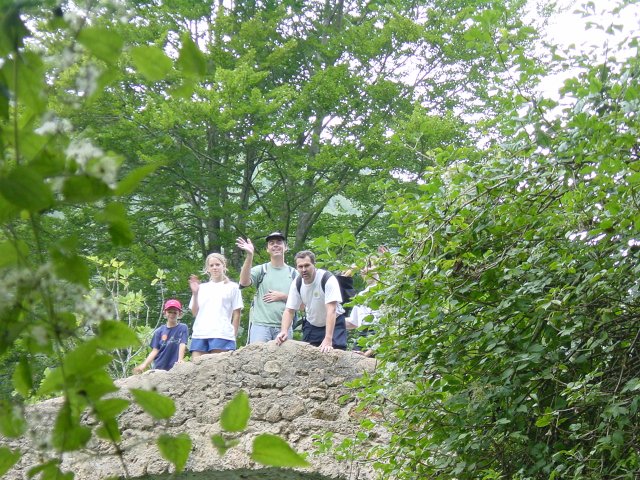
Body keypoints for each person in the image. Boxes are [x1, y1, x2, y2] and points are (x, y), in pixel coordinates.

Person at [276, 250, 346, 353]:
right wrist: (284, 331)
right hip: (312, 324)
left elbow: (331, 310)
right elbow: (289, 310)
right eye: (300, 267)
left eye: (307, 265)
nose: (304, 269)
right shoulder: (297, 283)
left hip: (334, 323)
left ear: (314, 264)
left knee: (334, 354)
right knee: (307, 357)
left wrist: (328, 339)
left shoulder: (327, 279)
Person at [236, 232, 298, 343]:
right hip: (260, 326)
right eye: (271, 243)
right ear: (267, 249)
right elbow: (244, 282)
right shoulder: (261, 270)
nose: (275, 245)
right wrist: (249, 256)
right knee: (257, 359)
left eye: (279, 242)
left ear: (286, 247)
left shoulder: (294, 274)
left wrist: (284, 296)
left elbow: (302, 304)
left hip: (285, 327)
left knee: (283, 360)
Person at [188, 252, 243, 358]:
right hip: (200, 334)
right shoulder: (202, 288)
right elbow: (195, 313)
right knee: (197, 369)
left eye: (217, 264)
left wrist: (233, 335)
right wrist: (195, 294)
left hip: (222, 334)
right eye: (211, 265)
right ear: (207, 269)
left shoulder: (233, 287)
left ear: (224, 266)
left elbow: (237, 314)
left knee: (219, 370)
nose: (214, 268)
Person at [133, 299, 189, 373]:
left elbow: (182, 344)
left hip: (175, 366)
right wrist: (144, 365)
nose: (172, 314)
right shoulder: (159, 331)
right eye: (169, 312)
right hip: (160, 366)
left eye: (175, 312)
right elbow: (155, 350)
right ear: (164, 313)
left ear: (180, 314)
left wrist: (180, 359)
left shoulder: (183, 327)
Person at [347, 256, 382, 357]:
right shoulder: (361, 295)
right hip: (362, 338)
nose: (364, 270)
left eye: (369, 265)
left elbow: (388, 328)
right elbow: (352, 322)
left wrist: (367, 354)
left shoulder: (386, 292)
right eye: (362, 267)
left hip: (379, 338)